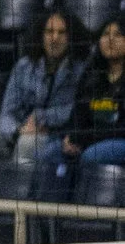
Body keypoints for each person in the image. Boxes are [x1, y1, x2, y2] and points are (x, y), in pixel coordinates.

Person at [0, 11, 86, 164]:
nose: (54, 38)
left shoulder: (81, 70)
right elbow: (6, 114)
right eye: (49, 31)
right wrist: (17, 132)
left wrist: (41, 118)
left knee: (29, 143)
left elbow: (77, 110)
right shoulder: (23, 66)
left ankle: (18, 188)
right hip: (18, 132)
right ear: (41, 36)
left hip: (55, 136)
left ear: (71, 37)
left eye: (61, 33)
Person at [45, 19, 125, 181]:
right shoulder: (91, 74)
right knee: (50, 152)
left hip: (118, 139)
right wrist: (70, 137)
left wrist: (84, 139)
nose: (110, 39)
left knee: (92, 155)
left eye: (118, 35)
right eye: (105, 34)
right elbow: (77, 114)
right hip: (89, 138)